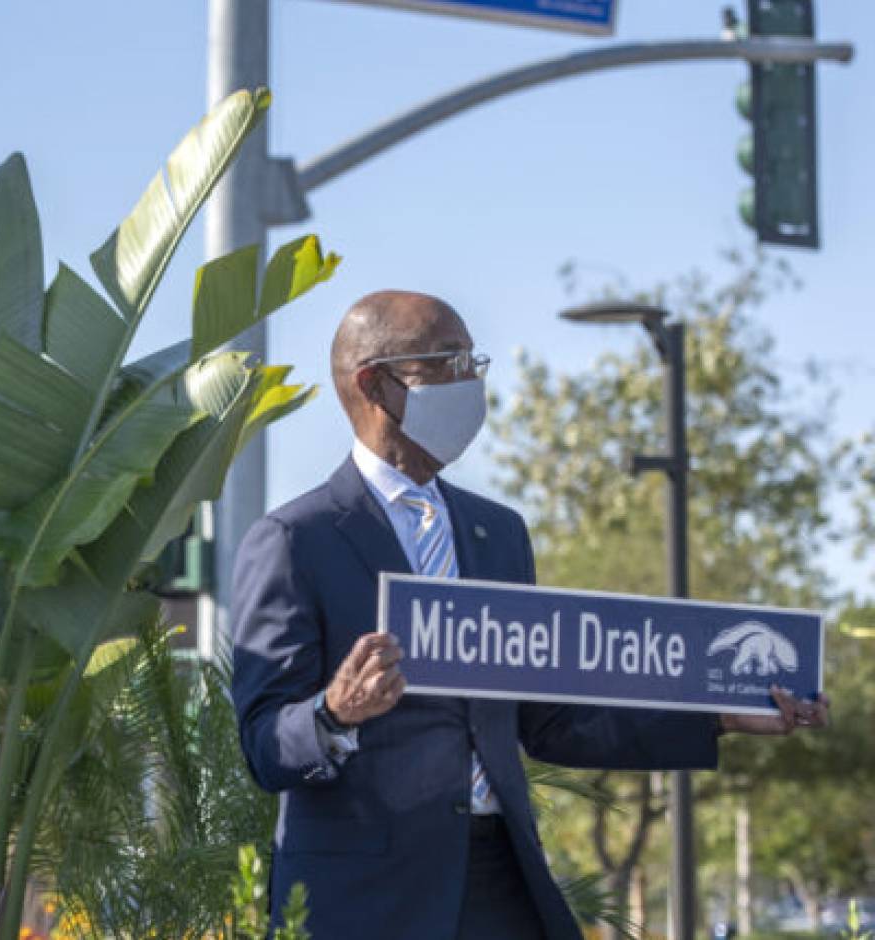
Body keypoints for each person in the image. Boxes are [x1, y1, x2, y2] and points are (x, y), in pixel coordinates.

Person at [229, 290, 829, 940]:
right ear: (376, 384)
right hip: (370, 898)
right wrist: (332, 714)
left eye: (474, 362)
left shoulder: (499, 533)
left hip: (501, 882)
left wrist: (714, 713)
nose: (472, 382)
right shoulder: (296, 540)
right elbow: (263, 744)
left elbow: (551, 722)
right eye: (449, 363)